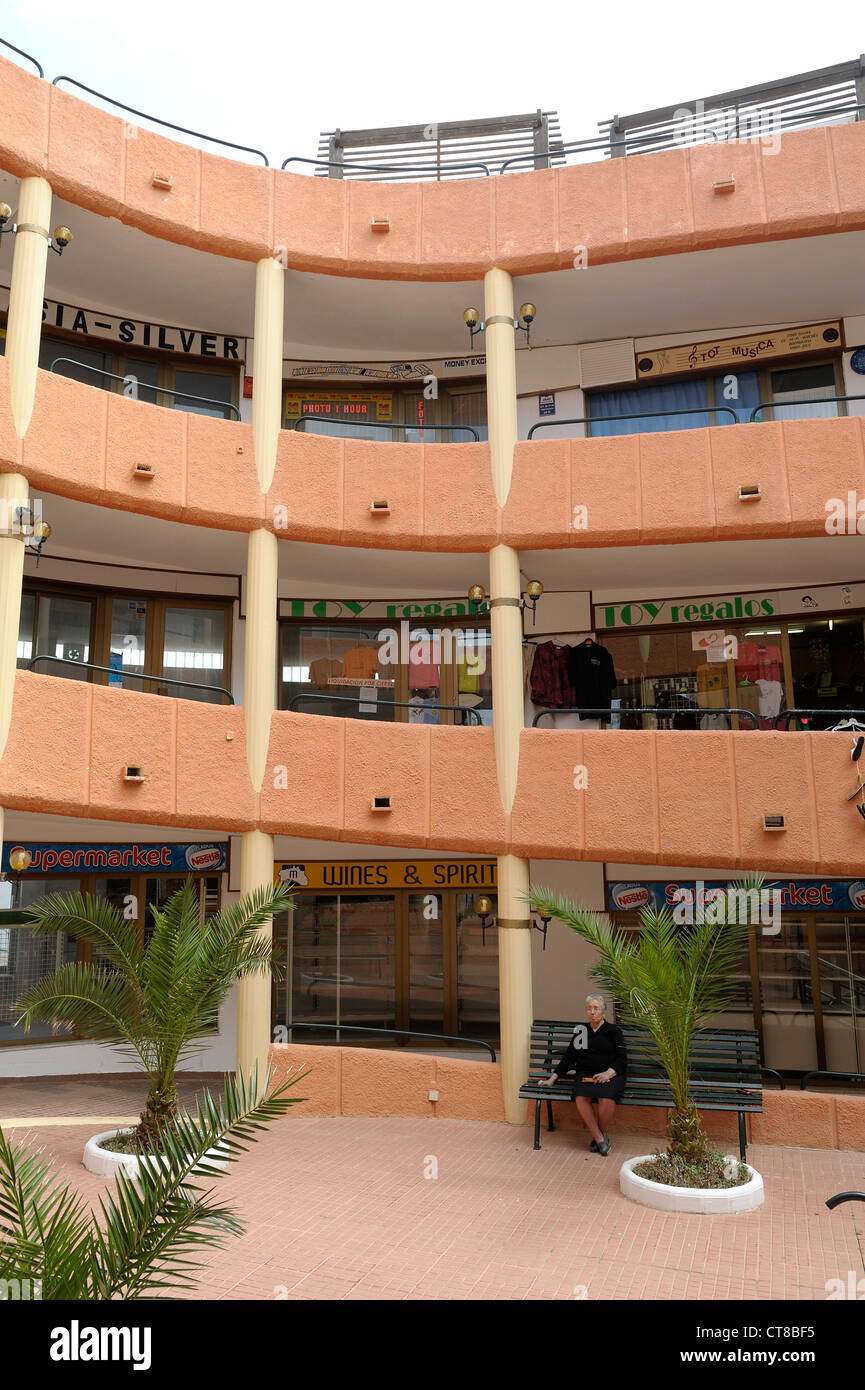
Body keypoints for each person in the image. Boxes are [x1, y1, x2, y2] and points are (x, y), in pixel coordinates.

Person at [538, 994, 626, 1155]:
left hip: (610, 1075)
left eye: (596, 1008)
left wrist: (607, 1074)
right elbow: (570, 1057)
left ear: (604, 1012)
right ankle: (600, 1139)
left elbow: (621, 1059)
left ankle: (597, 1135)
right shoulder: (582, 1031)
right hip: (586, 1074)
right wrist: (552, 1079)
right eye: (589, 1008)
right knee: (581, 1096)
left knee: (606, 1097)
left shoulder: (613, 1031)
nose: (592, 1012)